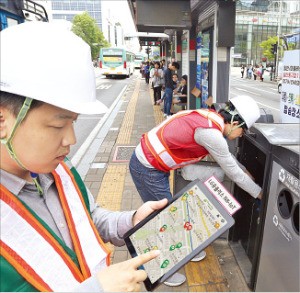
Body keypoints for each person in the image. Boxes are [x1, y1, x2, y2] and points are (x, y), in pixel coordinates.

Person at [0, 22, 167, 292]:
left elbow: (88, 219)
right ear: (2, 120)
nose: (71, 140)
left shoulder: (59, 169)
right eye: (57, 125)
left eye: (74, 123)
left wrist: (132, 220)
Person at [129, 95, 263, 287]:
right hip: (147, 168)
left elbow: (228, 160)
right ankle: (160, 270)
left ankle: (184, 250)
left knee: (171, 211)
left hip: (153, 164)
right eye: (243, 131)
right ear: (235, 122)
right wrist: (259, 193)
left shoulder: (209, 118)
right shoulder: (212, 135)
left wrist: (244, 170)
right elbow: (232, 172)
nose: (241, 135)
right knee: (164, 219)